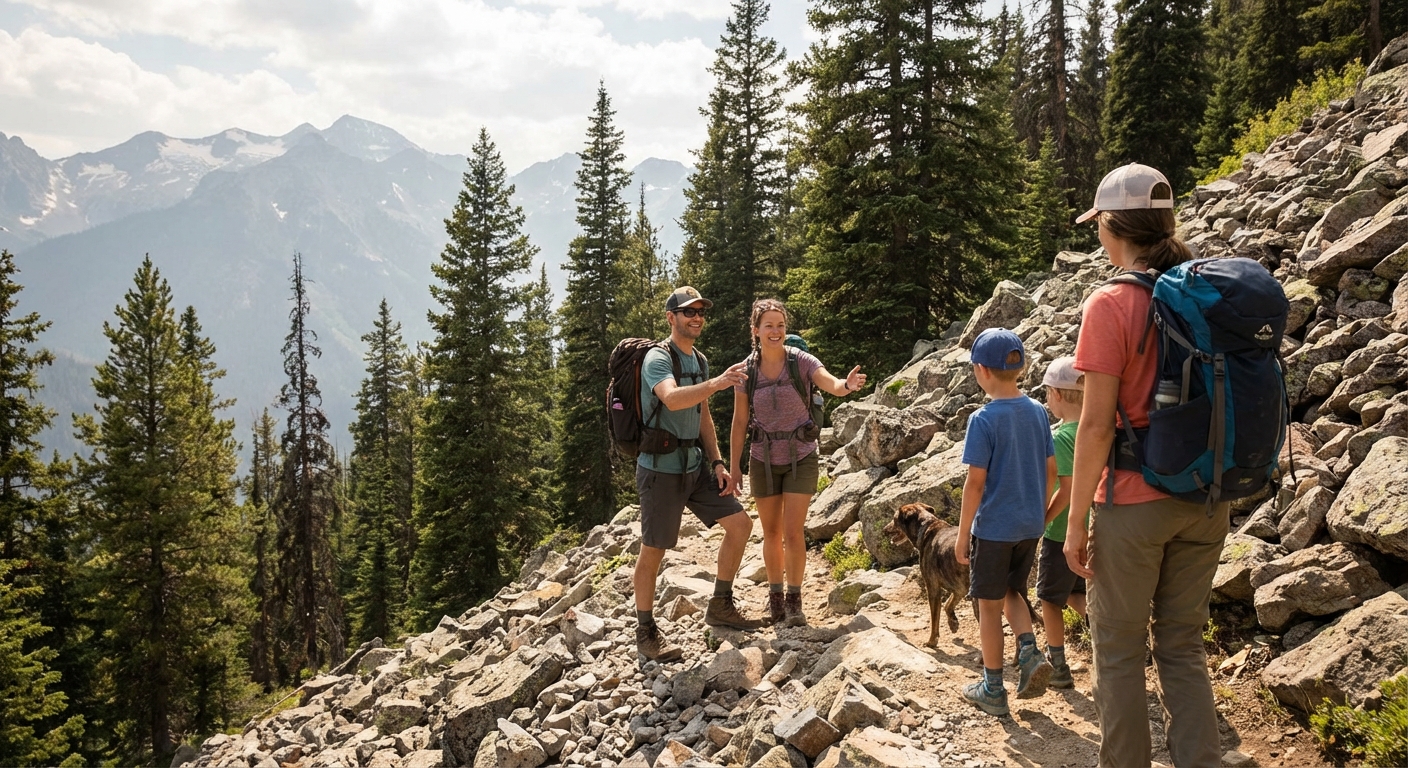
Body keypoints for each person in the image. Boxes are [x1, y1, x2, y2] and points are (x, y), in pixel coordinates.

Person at [1064, 164, 1225, 768]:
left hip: (1134, 501)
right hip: (1207, 495)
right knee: (1183, 645)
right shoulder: (1204, 293)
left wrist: (1075, 521)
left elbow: (1096, 425)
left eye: (1099, 225)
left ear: (1112, 225)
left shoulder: (1111, 302)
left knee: (1121, 648)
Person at [631, 286, 767, 662]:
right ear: (670, 317)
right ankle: (645, 631)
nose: (696, 317)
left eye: (700, 312)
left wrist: (719, 462)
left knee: (740, 525)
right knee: (654, 550)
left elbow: (702, 414)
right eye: (688, 312)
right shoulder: (658, 359)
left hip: (694, 466)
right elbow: (672, 398)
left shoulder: (700, 360)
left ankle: (720, 604)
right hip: (660, 471)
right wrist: (719, 382)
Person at [728, 299, 866, 626]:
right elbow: (739, 421)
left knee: (792, 533)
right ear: (756, 331)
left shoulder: (801, 360)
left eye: (780, 325)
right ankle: (775, 599)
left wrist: (845, 386)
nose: (775, 331)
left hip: (801, 456)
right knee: (771, 533)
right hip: (762, 458)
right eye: (769, 326)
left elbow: (828, 382)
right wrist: (734, 467)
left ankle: (794, 599)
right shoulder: (745, 371)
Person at [956, 327, 1058, 717]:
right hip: (1029, 525)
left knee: (988, 605)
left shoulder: (983, 419)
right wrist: (1037, 510)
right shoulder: (1036, 411)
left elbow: (975, 482)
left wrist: (963, 534)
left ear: (981, 370)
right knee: (1014, 591)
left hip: (994, 528)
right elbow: (1051, 471)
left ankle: (992, 688)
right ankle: (1030, 650)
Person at [1035, 356, 1088, 689]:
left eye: (1047, 394)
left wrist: (1041, 520)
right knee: (1076, 592)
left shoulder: (1063, 438)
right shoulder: (1096, 428)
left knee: (1049, 601)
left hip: (1061, 533)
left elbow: (1066, 490)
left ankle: (1058, 665)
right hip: (1090, 528)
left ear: (1056, 394)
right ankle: (1113, 640)